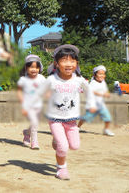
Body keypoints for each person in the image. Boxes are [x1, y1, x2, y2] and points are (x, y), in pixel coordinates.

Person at [34, 44, 96, 180]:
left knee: (74, 146)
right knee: (63, 146)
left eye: (72, 61)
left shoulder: (79, 80)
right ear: (56, 63)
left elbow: (89, 91)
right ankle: (61, 169)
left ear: (76, 63)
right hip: (55, 118)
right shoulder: (51, 80)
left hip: (71, 120)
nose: (69, 64)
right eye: (64, 60)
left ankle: (56, 141)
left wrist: (91, 104)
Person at [17, 54, 46, 149]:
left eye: (37, 67)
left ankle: (27, 132)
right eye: (32, 67)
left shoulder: (41, 78)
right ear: (26, 67)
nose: (34, 70)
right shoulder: (23, 79)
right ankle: (34, 142)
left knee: (35, 122)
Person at [77, 65, 114, 136]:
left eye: (103, 74)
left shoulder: (103, 82)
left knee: (108, 118)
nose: (102, 75)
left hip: (101, 105)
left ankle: (106, 130)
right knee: (86, 117)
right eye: (100, 74)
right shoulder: (93, 83)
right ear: (94, 75)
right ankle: (77, 127)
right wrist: (102, 94)